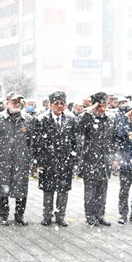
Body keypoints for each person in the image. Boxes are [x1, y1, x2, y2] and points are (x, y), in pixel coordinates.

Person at [33, 91, 77, 227]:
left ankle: (60, 216)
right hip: (48, 160)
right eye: (56, 103)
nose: (59, 106)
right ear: (50, 104)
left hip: (65, 160)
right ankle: (47, 216)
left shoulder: (70, 119)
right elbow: (37, 143)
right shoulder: (41, 119)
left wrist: (73, 159)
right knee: (48, 189)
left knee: (63, 190)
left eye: (61, 103)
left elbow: (74, 141)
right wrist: (39, 161)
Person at [0, 91, 32, 225]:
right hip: (4, 160)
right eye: (13, 101)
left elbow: (32, 142)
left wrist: (31, 159)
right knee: (3, 189)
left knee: (21, 188)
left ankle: (19, 215)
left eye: (18, 101)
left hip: (21, 160)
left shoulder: (28, 119)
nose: (16, 103)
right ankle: (3, 215)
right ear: (7, 103)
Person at [79, 92, 116, 226]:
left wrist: (114, 158)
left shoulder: (109, 119)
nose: (102, 109)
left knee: (102, 191)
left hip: (104, 162)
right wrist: (90, 110)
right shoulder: (88, 118)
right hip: (90, 162)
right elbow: (80, 126)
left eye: (104, 105)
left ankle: (100, 215)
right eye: (99, 106)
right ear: (94, 106)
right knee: (90, 193)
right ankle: (90, 216)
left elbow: (113, 141)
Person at [116, 105, 132, 224]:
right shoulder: (124, 125)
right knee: (124, 192)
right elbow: (119, 133)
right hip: (126, 164)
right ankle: (122, 214)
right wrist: (125, 118)